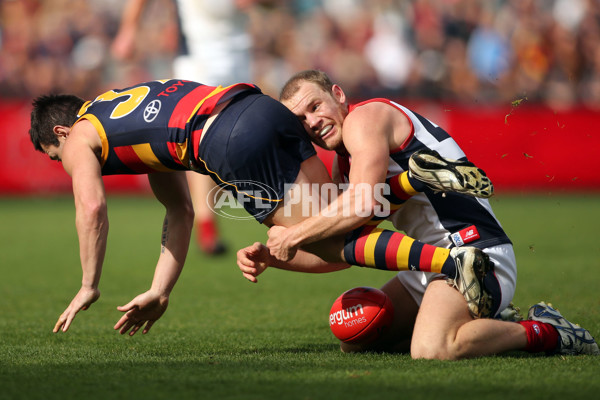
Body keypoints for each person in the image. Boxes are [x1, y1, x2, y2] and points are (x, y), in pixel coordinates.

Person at [30, 78, 496, 338]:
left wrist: (89, 285)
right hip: (258, 106)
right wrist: (160, 291)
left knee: (334, 242)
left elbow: (91, 207)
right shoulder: (119, 113)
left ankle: (455, 261)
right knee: (336, 213)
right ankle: (413, 179)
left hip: (225, 140)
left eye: (57, 158)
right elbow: (181, 213)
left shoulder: (78, 137)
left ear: (61, 135)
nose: (66, 165)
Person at [237, 69, 599, 358]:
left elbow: (362, 205)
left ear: (339, 94)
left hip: (473, 253)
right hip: (429, 263)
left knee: (432, 349)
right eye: (300, 120)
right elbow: (344, 252)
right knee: (358, 339)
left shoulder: (364, 119)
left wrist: (294, 234)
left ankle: (548, 332)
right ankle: (482, 317)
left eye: (314, 106)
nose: (311, 121)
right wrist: (273, 256)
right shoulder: (344, 163)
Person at [112, 0, 259, 255]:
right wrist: (129, 30)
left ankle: (226, 212)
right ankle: (207, 227)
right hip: (198, 57)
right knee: (200, 138)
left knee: (236, 137)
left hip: (238, 54)